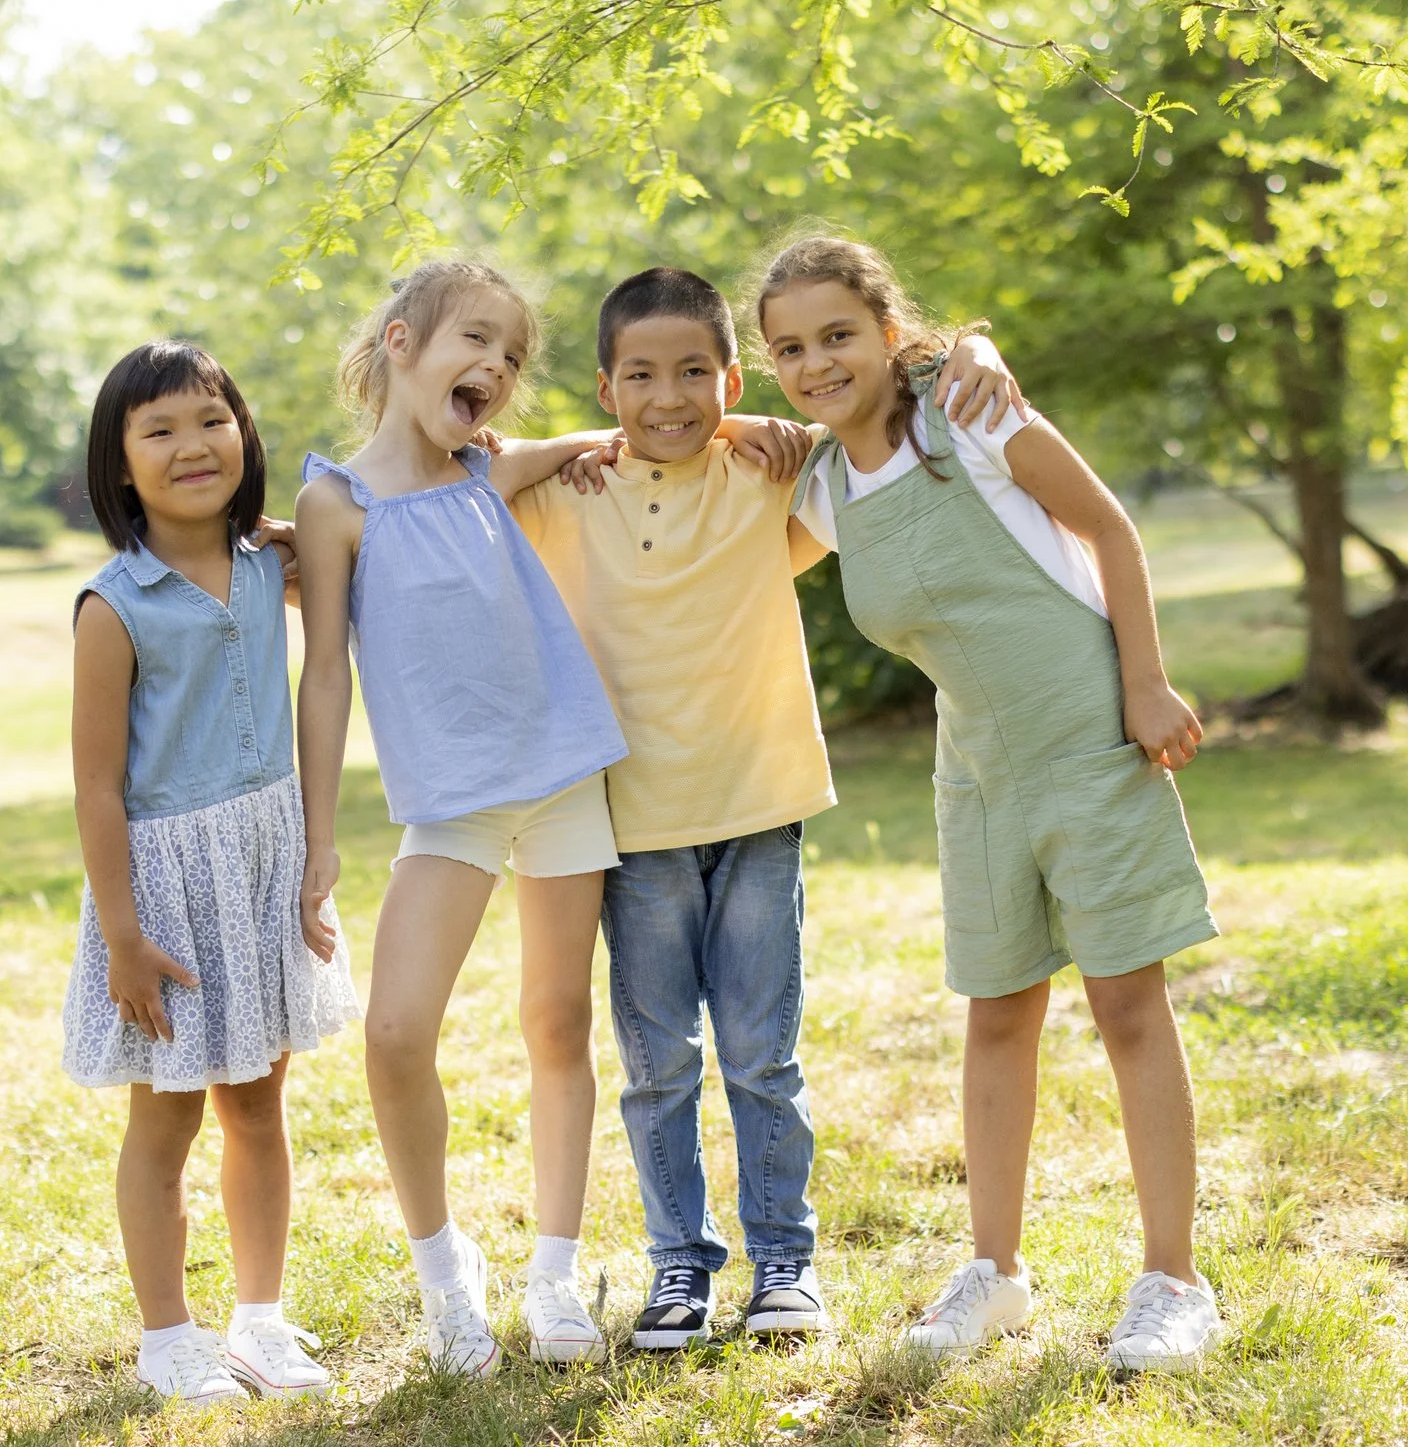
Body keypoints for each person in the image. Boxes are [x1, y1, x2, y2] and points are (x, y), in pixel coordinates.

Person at [512, 267, 1026, 1351]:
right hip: (633, 825)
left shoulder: (767, 475)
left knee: (761, 1054)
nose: (669, 395)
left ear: (732, 377)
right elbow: (455, 485)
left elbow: (877, 408)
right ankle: (678, 1268)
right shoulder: (571, 494)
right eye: (641, 375)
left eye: (695, 372)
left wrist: (962, 352)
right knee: (659, 1065)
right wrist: (562, 447)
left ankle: (784, 1262)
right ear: (605, 386)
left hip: (758, 807)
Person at [757, 236, 1224, 1374]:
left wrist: (1146, 681)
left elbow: (1110, 526)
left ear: (886, 329)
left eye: (837, 335)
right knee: (997, 1012)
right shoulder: (819, 481)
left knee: (1126, 1006)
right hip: (972, 767)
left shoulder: (966, 407)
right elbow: (713, 538)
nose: (818, 362)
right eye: (789, 349)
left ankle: (1175, 1281)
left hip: (1090, 737)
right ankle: (996, 1272)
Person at [292, 260, 640, 1374]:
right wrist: (317, 836)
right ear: (400, 342)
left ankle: (553, 1272)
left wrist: (612, 440)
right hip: (451, 804)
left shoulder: (490, 470)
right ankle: (448, 1280)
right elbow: (327, 677)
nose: (495, 367)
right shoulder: (335, 503)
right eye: (474, 341)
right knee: (394, 1032)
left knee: (558, 1023)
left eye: (512, 357)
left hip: (560, 774)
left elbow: (601, 440)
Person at [63, 340, 362, 1407]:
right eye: (160, 429)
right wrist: (124, 932)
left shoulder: (266, 564)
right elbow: (98, 787)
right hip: (169, 889)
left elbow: (368, 551)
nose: (193, 444)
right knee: (167, 1117)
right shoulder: (116, 604)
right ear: (121, 462)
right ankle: (168, 1335)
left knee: (258, 1104)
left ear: (243, 431)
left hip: (264, 860)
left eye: (211, 419)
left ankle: (261, 1320)